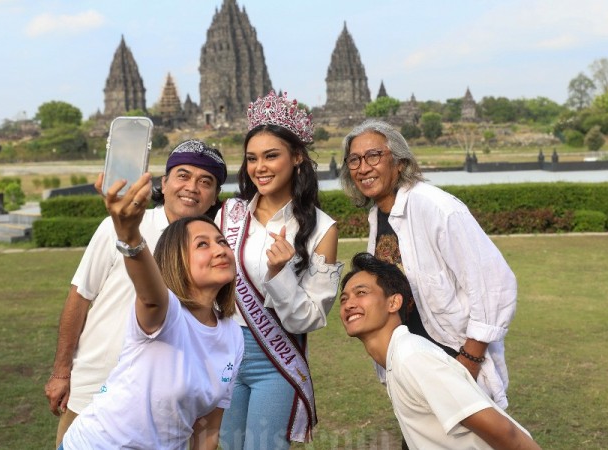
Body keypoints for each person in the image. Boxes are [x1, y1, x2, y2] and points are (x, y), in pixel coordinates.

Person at [44, 139, 228, 447]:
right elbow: (80, 297)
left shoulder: (213, 251)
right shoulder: (118, 226)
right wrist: (61, 371)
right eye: (183, 175)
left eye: (205, 181)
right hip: (95, 385)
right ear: (164, 183)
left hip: (161, 402)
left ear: (214, 197)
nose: (192, 187)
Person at [341, 119, 518, 409]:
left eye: (374, 156)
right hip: (412, 364)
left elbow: (495, 282)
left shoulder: (436, 207)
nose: (363, 167)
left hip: (452, 360)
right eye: (354, 160)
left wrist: (469, 362)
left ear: (399, 162)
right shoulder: (379, 216)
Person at [217, 91, 343, 449]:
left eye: (272, 156)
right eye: (252, 158)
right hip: (223, 352)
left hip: (275, 360)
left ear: (297, 157)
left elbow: (311, 318)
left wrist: (279, 275)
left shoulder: (322, 229)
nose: (260, 167)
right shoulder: (229, 215)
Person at [339, 253, 541, 449]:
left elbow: (506, 432)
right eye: (344, 299)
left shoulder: (412, 357)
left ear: (393, 303)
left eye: (361, 293)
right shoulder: (396, 359)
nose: (349, 304)